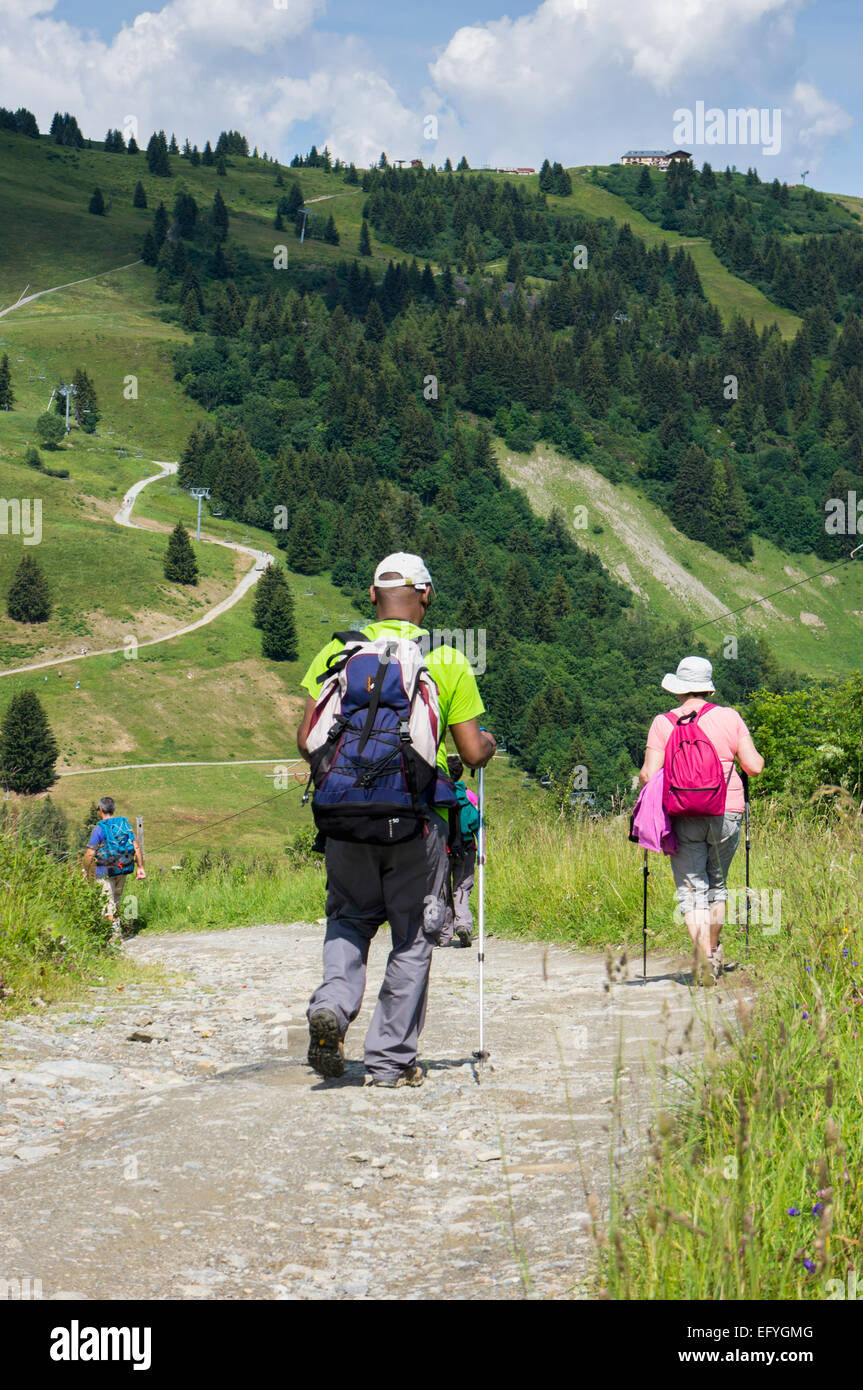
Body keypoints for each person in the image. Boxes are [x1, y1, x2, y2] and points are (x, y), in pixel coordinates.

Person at [297, 552, 495, 1088]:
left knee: (348, 918)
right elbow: (472, 753)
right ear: (426, 595)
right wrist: (488, 745)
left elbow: (305, 739)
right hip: (416, 823)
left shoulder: (338, 651)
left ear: (371, 596)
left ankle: (333, 1011)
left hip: (344, 821)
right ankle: (389, 1062)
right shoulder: (446, 659)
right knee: (412, 936)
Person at [638, 656, 764, 982]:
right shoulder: (730, 718)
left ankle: (704, 957)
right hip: (727, 810)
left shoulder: (663, 722)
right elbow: (754, 767)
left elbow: (648, 774)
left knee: (692, 890)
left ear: (679, 689)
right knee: (717, 886)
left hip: (682, 814)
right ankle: (713, 950)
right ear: (708, 688)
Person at [82, 797, 146, 940]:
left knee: (107, 902)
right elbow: (136, 847)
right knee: (116, 899)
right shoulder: (123, 825)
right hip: (123, 868)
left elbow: (90, 853)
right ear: (113, 809)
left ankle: (114, 935)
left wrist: (86, 870)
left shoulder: (100, 828)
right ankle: (121, 929)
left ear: (100, 810)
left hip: (105, 870)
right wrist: (140, 867)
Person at [438, 753, 480, 949]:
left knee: (443, 891)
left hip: (443, 850)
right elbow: (477, 823)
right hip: (466, 849)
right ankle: (463, 924)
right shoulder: (470, 796)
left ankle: (444, 935)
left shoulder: (438, 795)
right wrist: (482, 848)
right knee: (462, 889)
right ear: (461, 772)